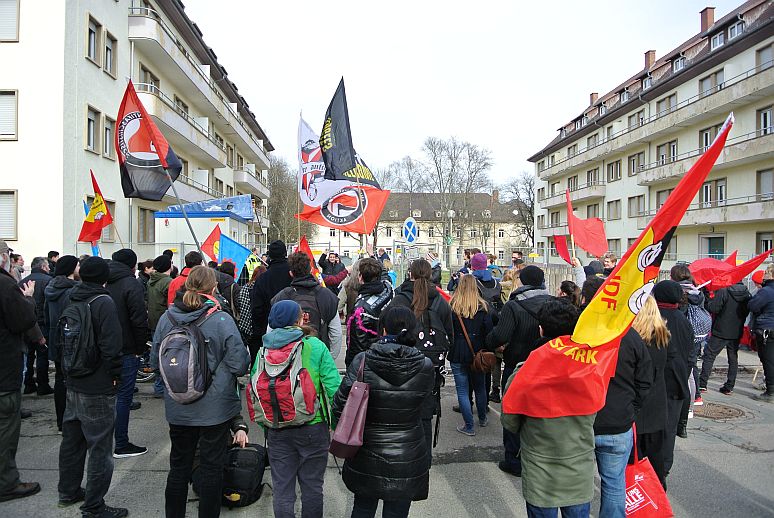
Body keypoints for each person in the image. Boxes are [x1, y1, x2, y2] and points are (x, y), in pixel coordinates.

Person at [151, 266, 250, 518]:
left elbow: (155, 362)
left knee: (178, 467)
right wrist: (220, 376)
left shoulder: (167, 318)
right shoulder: (220, 319)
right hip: (214, 409)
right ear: (214, 288)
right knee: (211, 468)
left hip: (178, 406)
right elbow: (239, 363)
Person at [332, 306, 433, 518]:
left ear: (383, 329)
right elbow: (425, 410)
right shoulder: (424, 365)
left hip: (366, 448)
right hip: (408, 451)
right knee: (397, 512)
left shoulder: (363, 361)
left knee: (363, 508)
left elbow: (340, 404)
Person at [501, 298, 595, 517]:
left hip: (540, 465)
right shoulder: (590, 368)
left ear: (541, 330)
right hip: (578, 465)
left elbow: (510, 420)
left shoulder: (525, 372)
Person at [258, 300, 341, 518]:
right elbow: (334, 389)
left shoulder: (263, 351)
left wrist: (265, 423)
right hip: (312, 425)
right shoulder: (315, 346)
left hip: (277, 427)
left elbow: (256, 390)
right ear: (298, 320)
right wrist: (334, 423)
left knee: (282, 490)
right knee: (312, 487)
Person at [57, 256, 126, 517]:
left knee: (72, 440)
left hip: (73, 378)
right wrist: (115, 376)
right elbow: (112, 345)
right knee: (99, 447)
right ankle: (95, 506)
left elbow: (59, 338)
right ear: (104, 277)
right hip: (96, 383)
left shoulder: (71, 297)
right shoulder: (103, 301)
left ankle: (68, 491)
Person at [486, 265, 552, 476]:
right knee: (542, 413)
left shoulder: (514, 306)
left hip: (517, 366)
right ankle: (540, 457)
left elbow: (500, 336)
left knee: (513, 413)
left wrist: (489, 342)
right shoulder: (553, 303)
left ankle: (513, 459)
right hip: (548, 366)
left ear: (522, 281)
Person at [388, 258, 453, 452]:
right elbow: (450, 333)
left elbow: (388, 330)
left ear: (410, 274)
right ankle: (424, 459)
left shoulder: (399, 298)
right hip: (431, 366)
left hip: (402, 362)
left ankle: (403, 455)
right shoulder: (440, 300)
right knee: (425, 415)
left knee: (402, 412)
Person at [593, 326, 652, 518]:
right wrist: (631, 409)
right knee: (614, 483)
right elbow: (645, 381)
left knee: (580, 482)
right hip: (618, 422)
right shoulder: (631, 336)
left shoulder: (585, 330)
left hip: (586, 421)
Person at [0, 240, 41, 502]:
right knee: (5, 429)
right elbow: (23, 321)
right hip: (3, 372)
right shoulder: (4, 285)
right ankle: (6, 483)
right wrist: (27, 300)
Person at [106, 249, 150, 459]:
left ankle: (104, 440)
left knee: (107, 397)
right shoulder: (129, 284)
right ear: (132, 265)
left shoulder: (102, 280)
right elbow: (138, 319)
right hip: (126, 348)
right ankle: (121, 443)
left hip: (104, 347)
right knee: (123, 397)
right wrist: (139, 348)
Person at [653, 280, 693, 487]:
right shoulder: (684, 321)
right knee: (669, 430)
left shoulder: (651, 319)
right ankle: (664, 470)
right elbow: (690, 354)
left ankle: (650, 468)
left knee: (651, 429)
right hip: (677, 382)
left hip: (655, 382)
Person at [271, 252, 342, 358]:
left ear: (291, 273)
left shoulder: (281, 297)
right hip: (317, 356)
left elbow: (271, 331)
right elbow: (336, 333)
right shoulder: (327, 296)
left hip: (287, 360)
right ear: (310, 270)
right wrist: (329, 359)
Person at [632, 296, 670, 487]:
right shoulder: (662, 336)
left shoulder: (633, 341)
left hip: (636, 410)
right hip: (657, 407)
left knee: (633, 464)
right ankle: (657, 497)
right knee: (655, 462)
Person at [449, 275, 493, 436]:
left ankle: (469, 425)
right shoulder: (483, 307)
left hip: (458, 350)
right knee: (480, 388)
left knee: (462, 390)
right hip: (478, 351)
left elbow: (449, 331)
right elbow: (489, 332)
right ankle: (482, 418)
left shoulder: (453, 306)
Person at [670, 264, 708, 436]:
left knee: (681, 375)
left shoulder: (678, 292)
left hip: (681, 336)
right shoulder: (697, 292)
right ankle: (688, 412)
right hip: (696, 338)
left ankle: (679, 414)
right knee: (690, 373)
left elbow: (680, 314)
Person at [44, 255, 81, 431]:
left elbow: (45, 314)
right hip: (69, 340)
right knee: (72, 380)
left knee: (60, 379)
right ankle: (70, 421)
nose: (80, 267)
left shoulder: (51, 287)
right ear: (71, 269)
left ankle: (61, 421)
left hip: (54, 338)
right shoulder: (71, 291)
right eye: (78, 265)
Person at [699, 280, 751, 395]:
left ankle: (702, 384)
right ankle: (729, 386)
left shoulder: (724, 291)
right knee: (733, 358)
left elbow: (713, 308)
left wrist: (708, 297)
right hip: (736, 330)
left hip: (721, 330)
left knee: (709, 355)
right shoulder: (746, 293)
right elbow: (747, 311)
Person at [345, 258, 394, 367]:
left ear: (360, 277)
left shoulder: (360, 310)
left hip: (368, 363)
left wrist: (351, 367)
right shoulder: (388, 289)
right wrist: (373, 256)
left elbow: (356, 346)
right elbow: (385, 276)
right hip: (389, 356)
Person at [250, 240, 292, 362]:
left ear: (270, 256)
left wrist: (258, 331)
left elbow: (256, 308)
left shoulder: (263, 278)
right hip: (293, 328)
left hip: (268, 330)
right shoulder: (293, 274)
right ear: (285, 253)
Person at [19, 256, 53, 395]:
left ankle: (28, 383)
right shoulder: (49, 281)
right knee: (42, 355)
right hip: (43, 323)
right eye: (48, 266)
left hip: (26, 324)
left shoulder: (22, 282)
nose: (50, 269)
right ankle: (43, 384)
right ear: (44, 267)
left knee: (29, 354)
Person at [147, 254, 173, 399]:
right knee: (167, 355)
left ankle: (158, 386)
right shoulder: (167, 282)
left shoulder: (151, 280)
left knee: (157, 352)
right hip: (165, 322)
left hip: (153, 320)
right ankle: (162, 387)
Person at [749, 264, 774, 402]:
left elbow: (753, 306)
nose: (764, 275)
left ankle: (770, 392)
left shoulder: (766, 291)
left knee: (768, 361)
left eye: (766, 272)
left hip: (767, 329)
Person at [235, 265, 265, 345]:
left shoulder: (245, 288)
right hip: (260, 327)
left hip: (245, 327)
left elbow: (239, 304)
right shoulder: (264, 289)